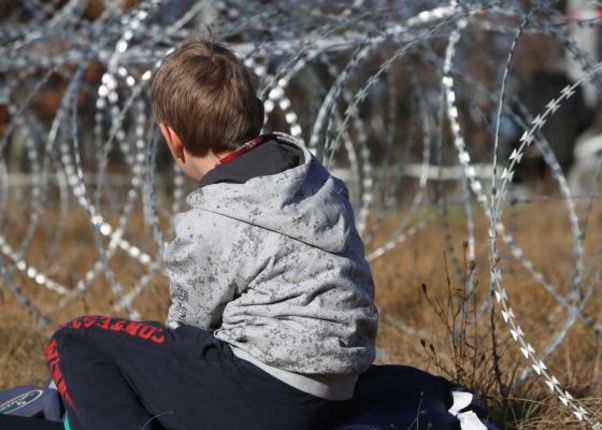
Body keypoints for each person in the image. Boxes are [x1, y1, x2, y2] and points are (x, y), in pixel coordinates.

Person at [45, 40, 378, 430]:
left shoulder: (212, 220)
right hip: (337, 390)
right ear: (259, 113)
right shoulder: (317, 180)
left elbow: (188, 331)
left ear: (172, 139)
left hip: (262, 396)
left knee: (75, 339)